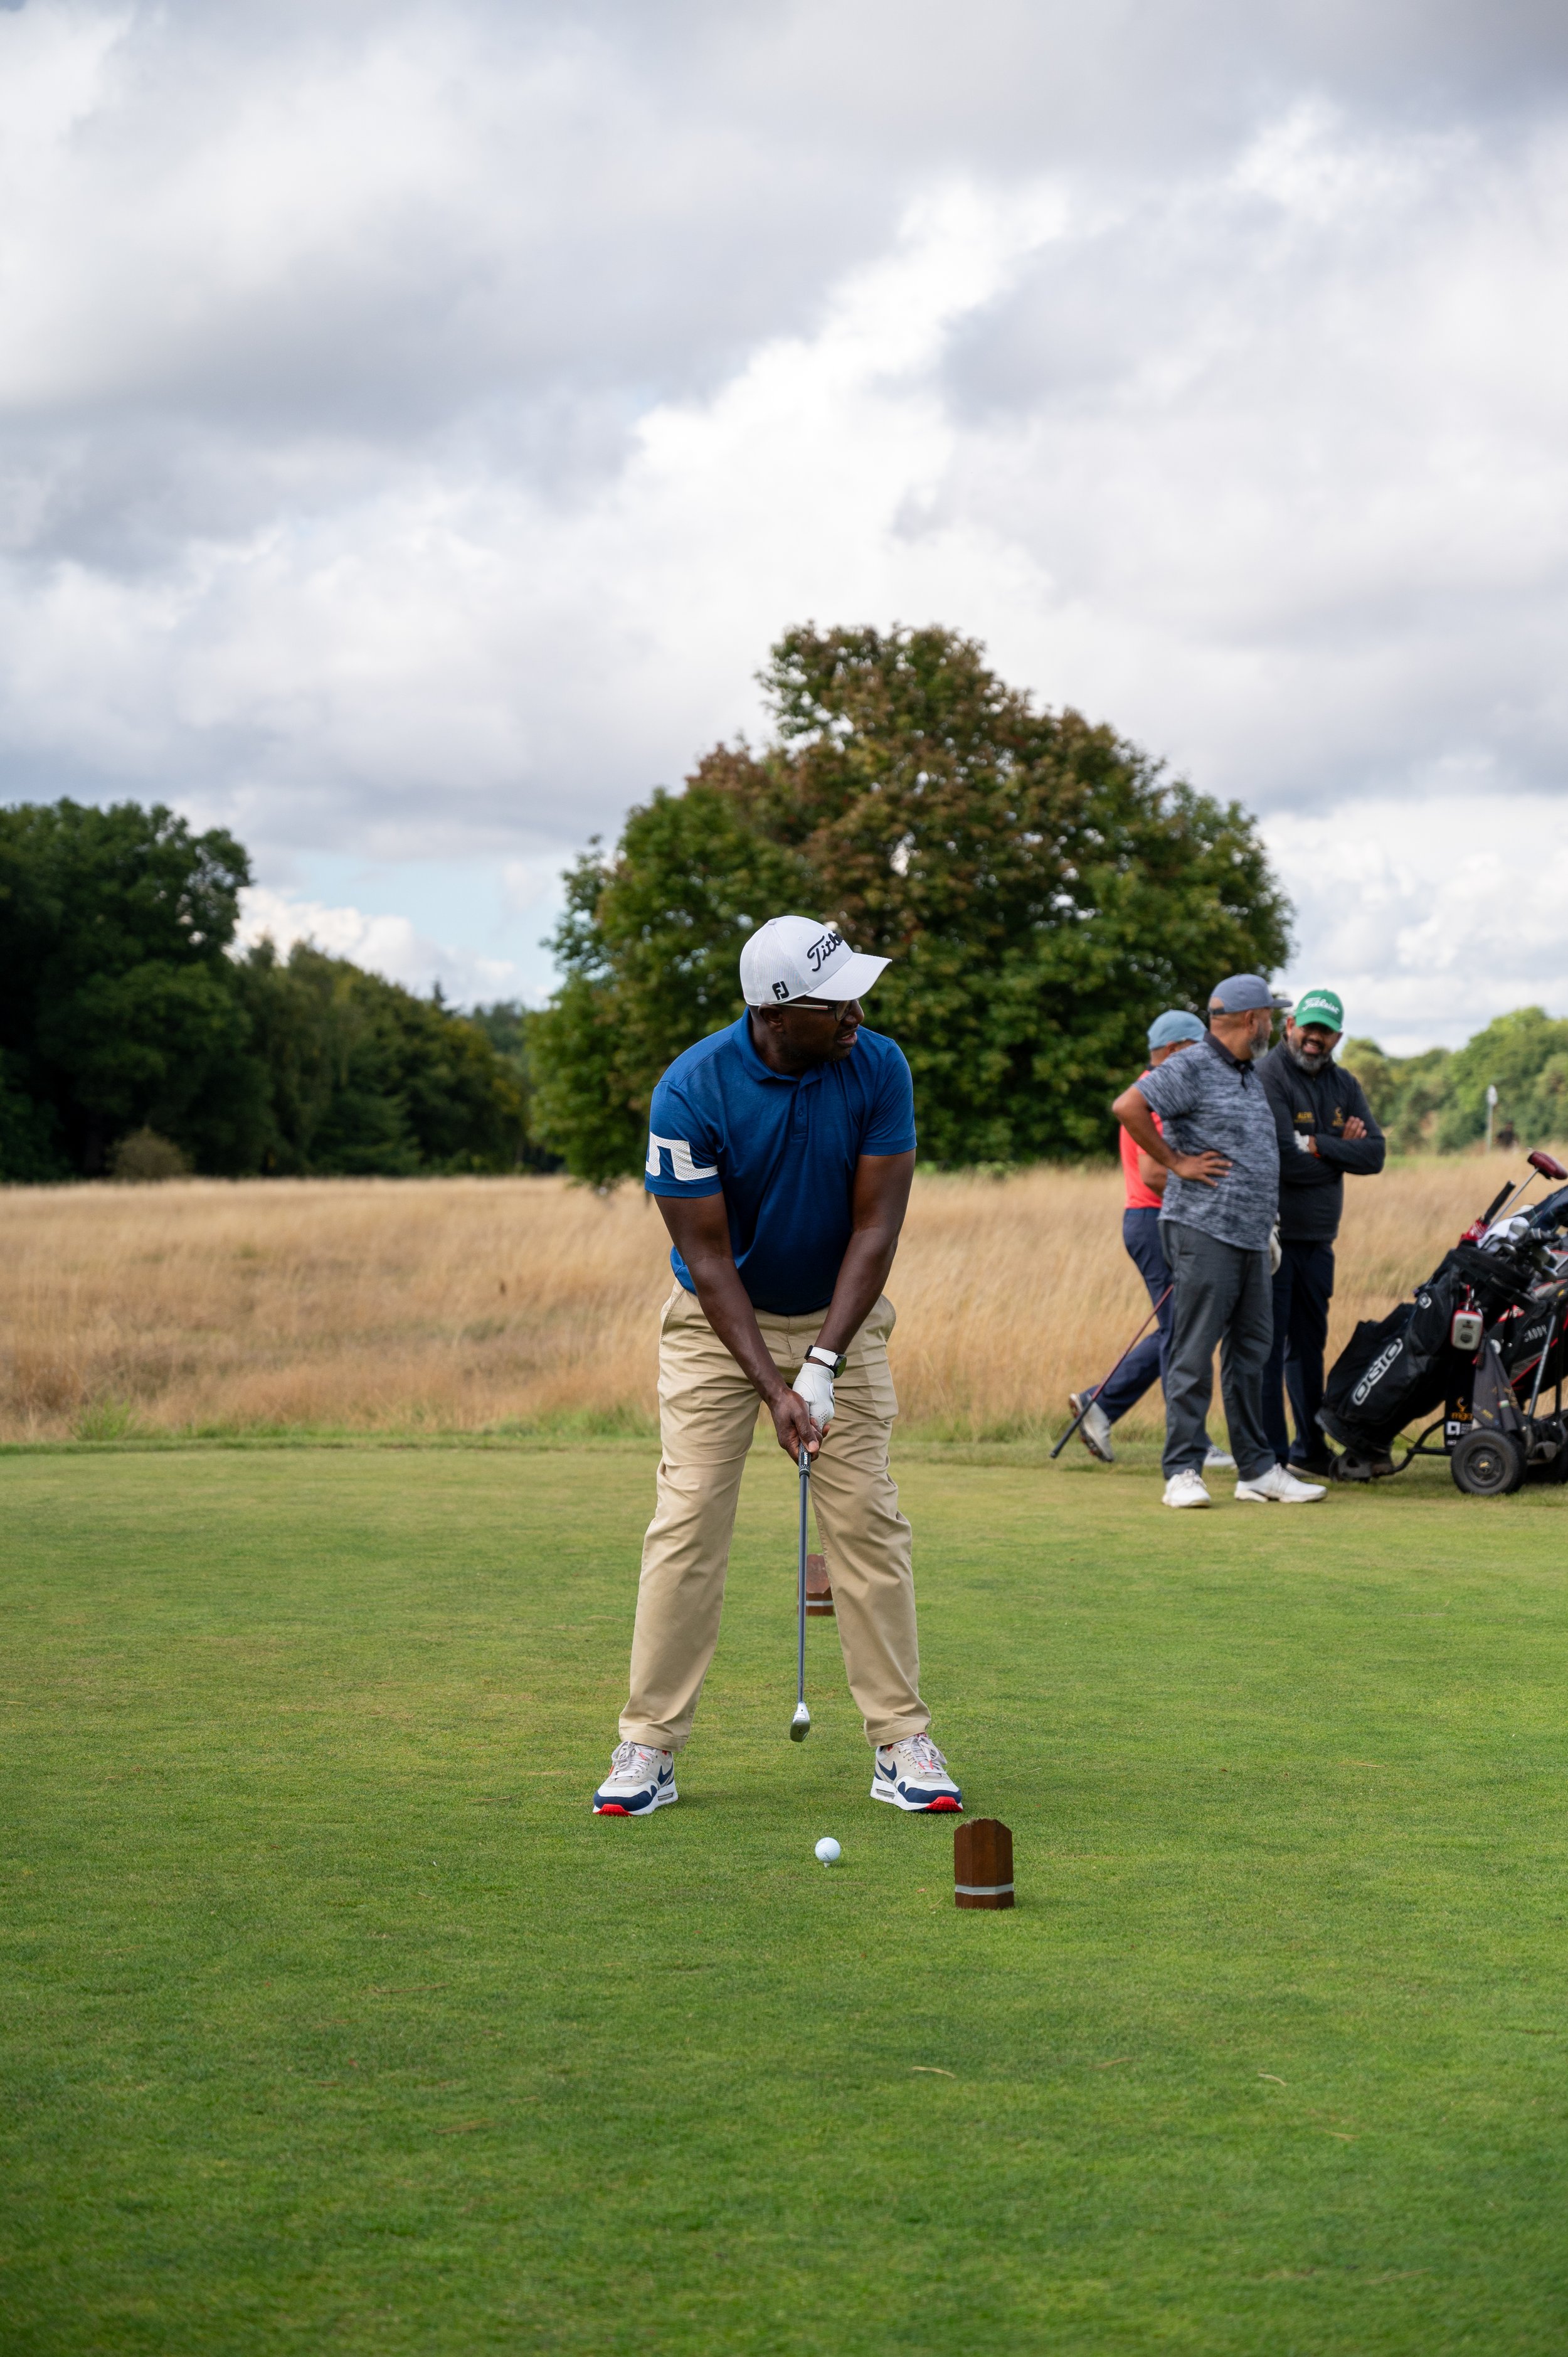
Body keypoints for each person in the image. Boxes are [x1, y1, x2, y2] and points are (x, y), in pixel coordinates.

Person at [591, 913, 963, 1817]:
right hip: (717, 1328)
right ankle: (648, 1746)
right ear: (775, 1012)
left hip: (842, 1316)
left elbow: (876, 1229)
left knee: (867, 1519)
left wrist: (823, 1363)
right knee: (687, 1520)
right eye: (837, 1004)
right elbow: (708, 1259)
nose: (858, 1015)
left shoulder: (879, 1066)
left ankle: (900, 1740)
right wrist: (773, 1386)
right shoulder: (691, 1091)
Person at [1112, 974, 1328, 1510]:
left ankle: (1256, 1470)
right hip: (1203, 1229)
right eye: (1270, 1017)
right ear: (1251, 1019)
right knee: (1192, 1352)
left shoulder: (1246, 1072)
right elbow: (1128, 1106)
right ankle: (1182, 1469)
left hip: (1252, 1235)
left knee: (1251, 1353)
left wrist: (1267, 1223)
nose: (1273, 1026)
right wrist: (1177, 1162)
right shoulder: (1192, 1064)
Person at [1068, 1010, 1234, 1474]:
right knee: (1182, 1332)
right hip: (1154, 1221)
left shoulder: (1156, 1088)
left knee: (1177, 1329)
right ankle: (1191, 1440)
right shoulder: (1157, 1094)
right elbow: (1155, 1173)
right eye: (1197, 1049)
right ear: (1177, 1050)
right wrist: (1214, 1192)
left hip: (1155, 1222)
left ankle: (1099, 1405)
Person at [1258, 989, 1385, 1477]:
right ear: (1290, 1025)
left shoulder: (1344, 1083)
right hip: (1273, 1237)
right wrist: (1337, 1154)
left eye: (1325, 1032)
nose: (1315, 1039)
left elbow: (1375, 1154)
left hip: (1318, 1239)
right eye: (1308, 1028)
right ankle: (1270, 1458)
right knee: (1268, 1349)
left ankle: (1309, 1450)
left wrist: (1316, 1144)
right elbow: (1280, 1158)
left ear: (1338, 1036)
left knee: (1309, 1348)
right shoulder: (1269, 1076)